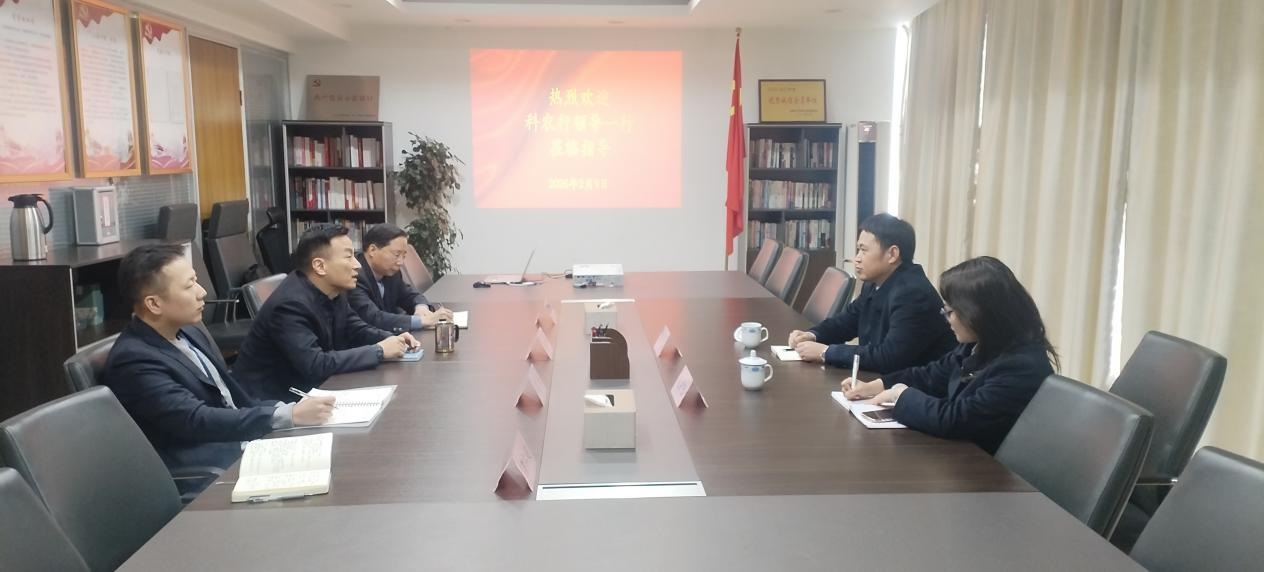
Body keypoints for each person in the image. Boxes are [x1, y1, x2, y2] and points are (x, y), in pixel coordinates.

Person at [102, 244, 335, 472]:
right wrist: (285, 416)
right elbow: (195, 419)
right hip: (211, 469)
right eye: (189, 285)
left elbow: (232, 400)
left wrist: (287, 409)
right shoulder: (134, 361)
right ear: (154, 303)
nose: (202, 292)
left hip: (244, 444)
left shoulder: (188, 331)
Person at [841, 256, 1058, 454]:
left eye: (951, 311)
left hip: (990, 473)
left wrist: (901, 395)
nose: (947, 319)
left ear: (979, 313)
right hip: (963, 458)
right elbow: (931, 375)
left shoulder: (1021, 366)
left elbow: (956, 419)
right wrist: (877, 386)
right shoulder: (978, 344)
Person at [234, 224, 419, 403]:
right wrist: (379, 350)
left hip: (314, 391)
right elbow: (316, 365)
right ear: (320, 266)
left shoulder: (334, 290)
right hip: (271, 404)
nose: (357, 265)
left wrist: (391, 338)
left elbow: (355, 328)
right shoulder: (289, 306)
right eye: (348, 257)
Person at [787, 213, 956, 373]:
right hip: (881, 379)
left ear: (892, 254)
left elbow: (889, 357)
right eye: (858, 250)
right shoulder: (875, 283)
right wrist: (813, 335)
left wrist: (826, 352)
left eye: (864, 250)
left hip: (913, 386)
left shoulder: (913, 294)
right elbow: (846, 322)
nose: (857, 258)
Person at [348, 224, 453, 332]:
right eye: (397, 255)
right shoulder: (354, 276)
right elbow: (373, 317)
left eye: (404, 256)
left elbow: (410, 295)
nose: (401, 262)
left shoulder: (391, 272)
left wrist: (421, 307)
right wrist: (422, 321)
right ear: (372, 250)